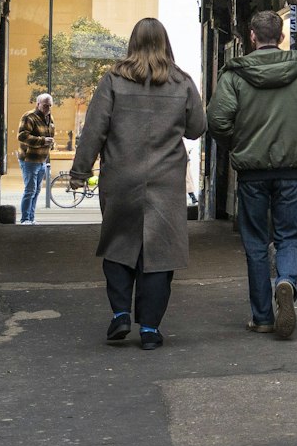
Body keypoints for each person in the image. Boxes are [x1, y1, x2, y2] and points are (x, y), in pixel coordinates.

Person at [69, 20, 207, 350]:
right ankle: (149, 329)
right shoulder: (182, 81)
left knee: (118, 243)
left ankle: (120, 313)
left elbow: (94, 130)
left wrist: (80, 171)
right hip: (165, 181)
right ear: (165, 43)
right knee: (160, 253)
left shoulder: (113, 80)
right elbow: (197, 128)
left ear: (132, 42)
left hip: (120, 177)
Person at [209, 10, 297, 339]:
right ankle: (287, 281)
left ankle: (262, 317)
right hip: (292, 170)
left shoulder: (234, 76)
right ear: (281, 37)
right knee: (290, 237)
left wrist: (241, 144)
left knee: (255, 243)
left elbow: (217, 121)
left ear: (252, 36)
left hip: (251, 172)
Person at [15, 93, 56, 224]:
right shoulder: (29, 117)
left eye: (50, 105)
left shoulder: (49, 117)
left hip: (42, 159)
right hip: (29, 159)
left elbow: (50, 135)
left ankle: (31, 218)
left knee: (36, 191)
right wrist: (43, 141)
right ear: (38, 104)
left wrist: (51, 143)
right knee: (30, 190)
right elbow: (22, 136)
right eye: (45, 105)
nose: (48, 108)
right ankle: (25, 219)